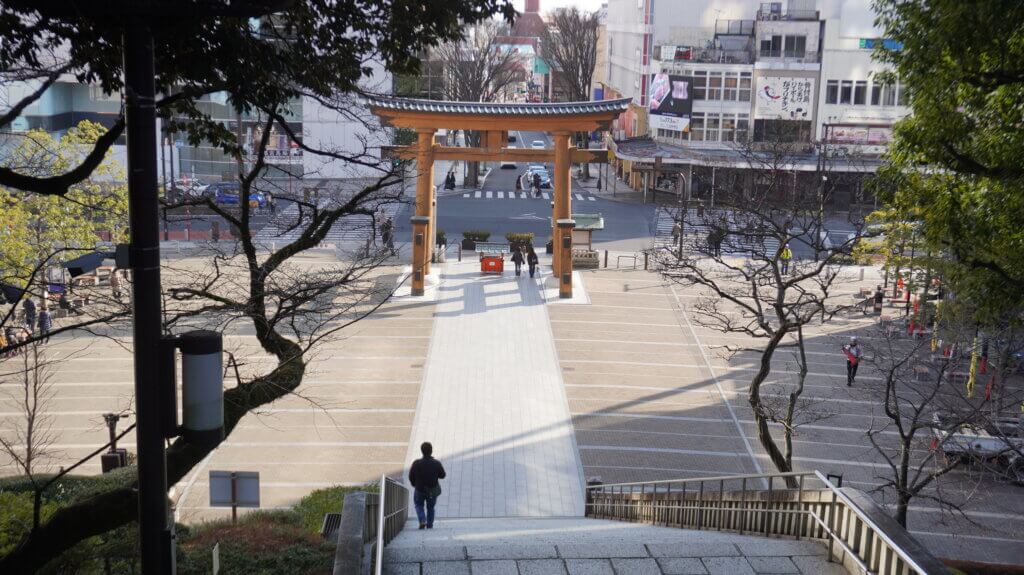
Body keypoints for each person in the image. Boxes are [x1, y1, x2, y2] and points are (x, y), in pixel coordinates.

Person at [408, 441, 446, 530]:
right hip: (432, 489)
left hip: (419, 489)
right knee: (431, 507)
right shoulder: (436, 463)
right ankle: (429, 525)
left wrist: (414, 484)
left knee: (418, 505)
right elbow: (443, 475)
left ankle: (422, 520)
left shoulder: (416, 463)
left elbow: (411, 476)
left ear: (422, 451)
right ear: (431, 451)